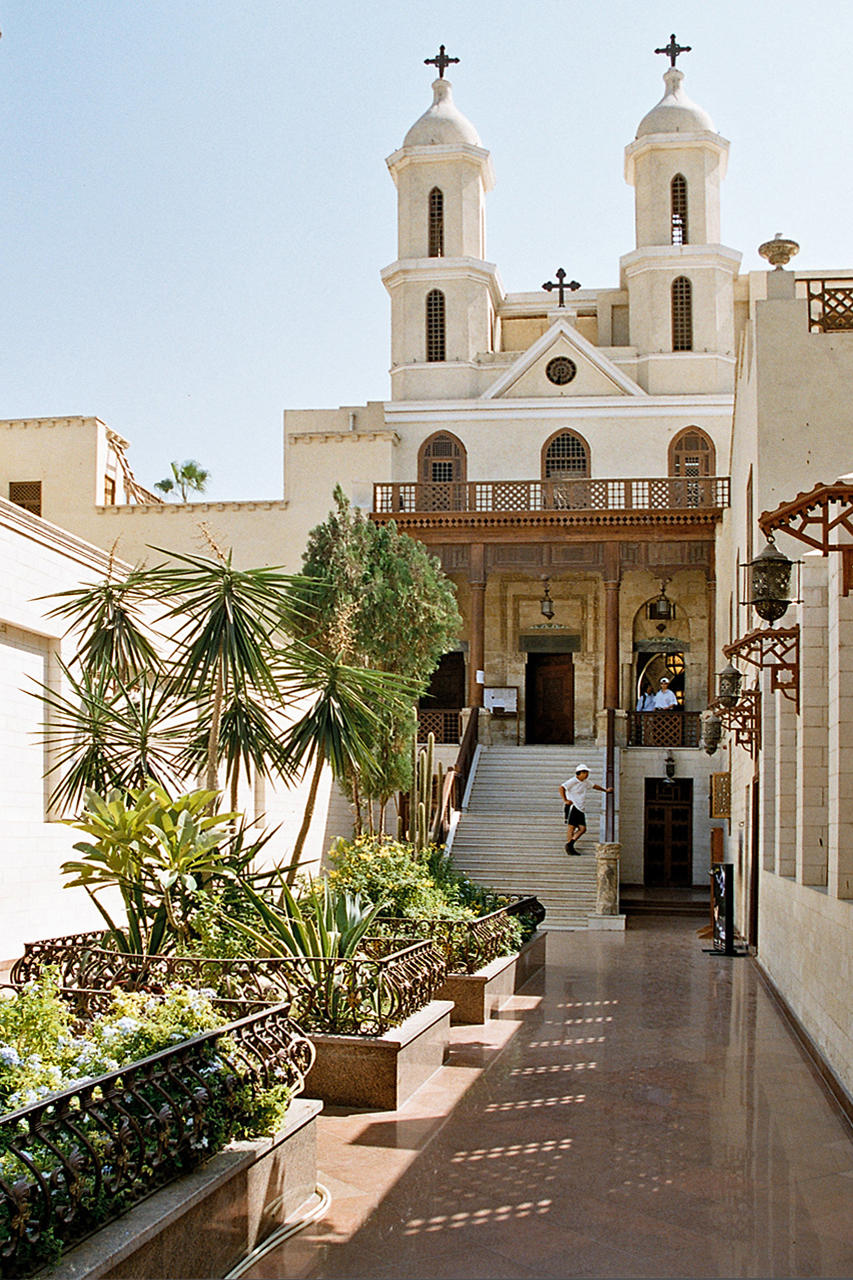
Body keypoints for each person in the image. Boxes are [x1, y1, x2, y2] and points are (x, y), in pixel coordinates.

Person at [559, 764, 613, 856]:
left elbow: (595, 786)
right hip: (573, 806)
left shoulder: (585, 782)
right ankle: (570, 847)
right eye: (585, 772)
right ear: (579, 773)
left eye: (587, 772)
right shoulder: (573, 781)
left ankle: (570, 844)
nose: (586, 774)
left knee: (583, 828)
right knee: (571, 827)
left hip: (581, 808)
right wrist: (565, 800)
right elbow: (561, 788)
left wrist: (606, 790)